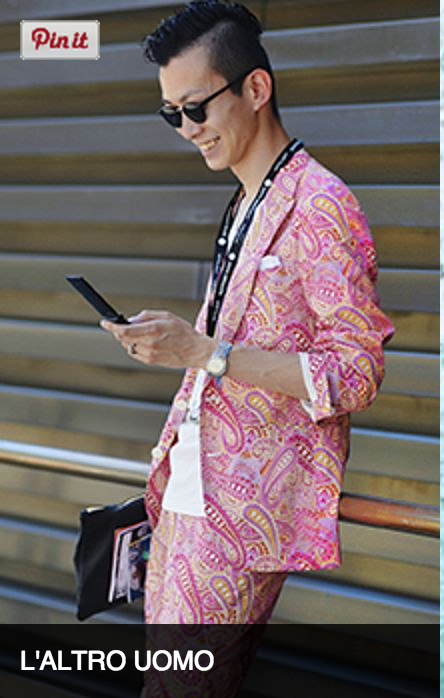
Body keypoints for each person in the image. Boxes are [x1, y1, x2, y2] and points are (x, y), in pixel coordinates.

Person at [101, 0, 394, 630]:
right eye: (171, 114)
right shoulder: (244, 202)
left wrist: (204, 352)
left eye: (196, 108)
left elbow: (356, 373)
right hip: (184, 493)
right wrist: (180, 345)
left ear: (256, 89)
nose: (187, 129)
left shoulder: (321, 205)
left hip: (241, 517)